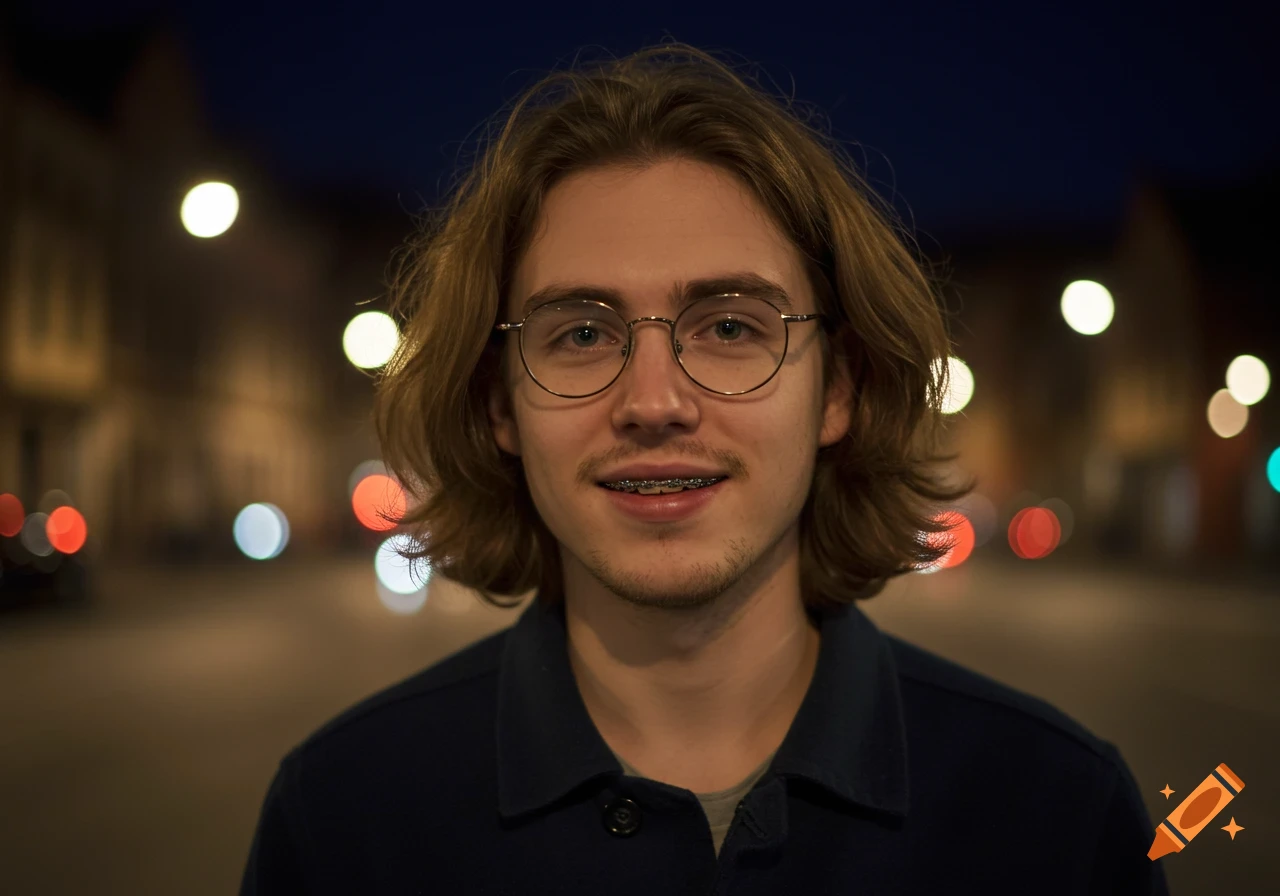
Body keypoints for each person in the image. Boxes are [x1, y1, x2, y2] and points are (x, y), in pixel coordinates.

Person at [241, 42, 1168, 895]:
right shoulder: (341, 822)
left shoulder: (1058, 817)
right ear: (498, 406)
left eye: (730, 328)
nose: (654, 401)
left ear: (838, 388)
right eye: (581, 333)